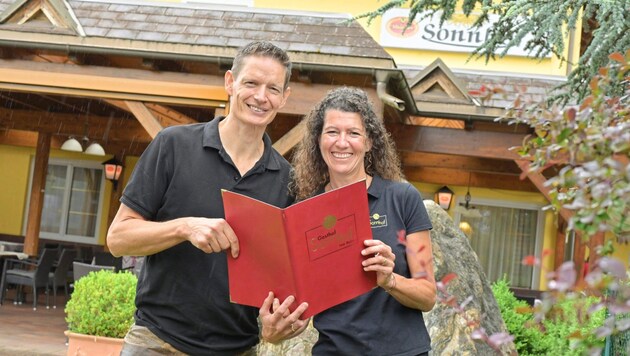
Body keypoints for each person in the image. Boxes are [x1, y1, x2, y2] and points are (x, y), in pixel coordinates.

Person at [107, 41, 309, 355]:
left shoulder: (288, 181)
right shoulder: (173, 145)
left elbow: (287, 279)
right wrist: (184, 228)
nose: (260, 97)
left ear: (284, 97)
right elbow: (118, 239)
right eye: (251, 83)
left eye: (272, 88)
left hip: (237, 349)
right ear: (230, 82)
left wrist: (276, 326)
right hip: (157, 342)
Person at [290, 86, 437, 355]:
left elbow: (428, 295)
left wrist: (389, 280)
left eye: (354, 133)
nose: (342, 142)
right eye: (332, 132)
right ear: (318, 139)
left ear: (369, 142)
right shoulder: (305, 210)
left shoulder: (403, 198)